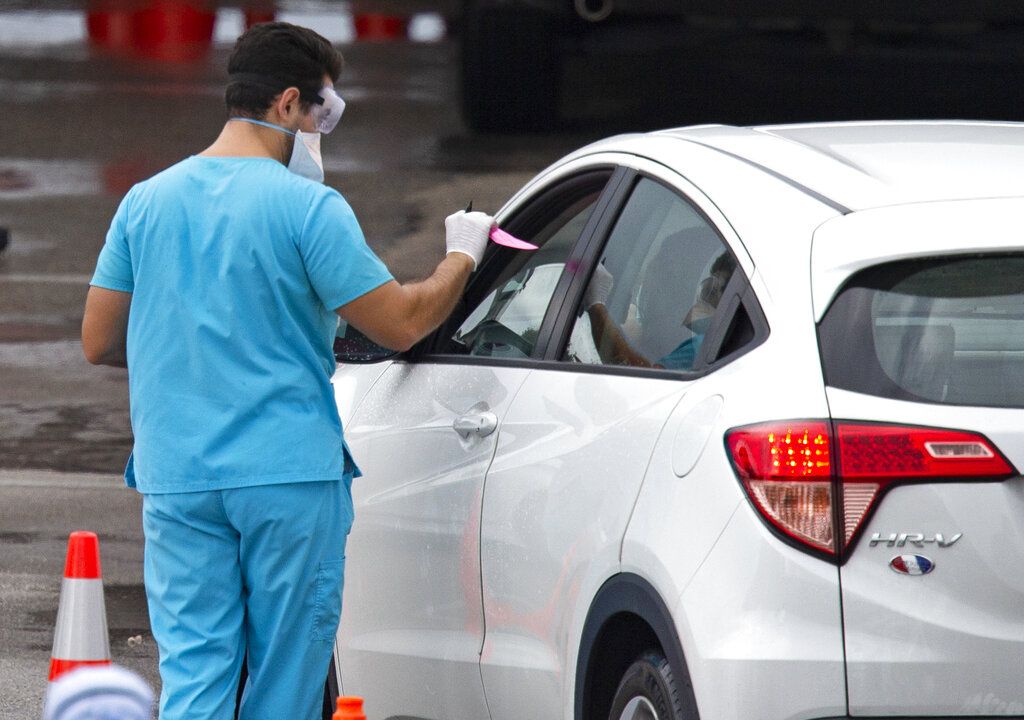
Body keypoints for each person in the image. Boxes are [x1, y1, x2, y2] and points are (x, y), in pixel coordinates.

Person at [80, 22, 493, 720]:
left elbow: (99, 341)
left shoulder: (144, 202)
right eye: (322, 116)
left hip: (177, 478)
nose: (320, 134)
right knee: (284, 683)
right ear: (288, 103)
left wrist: (180, 334)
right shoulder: (309, 208)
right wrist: (462, 256)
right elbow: (402, 321)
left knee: (195, 679)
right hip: (287, 479)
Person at [583, 250, 735, 370]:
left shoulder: (702, 347)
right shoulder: (731, 349)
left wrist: (596, 306)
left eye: (712, 291)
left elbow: (639, 379)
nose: (704, 299)